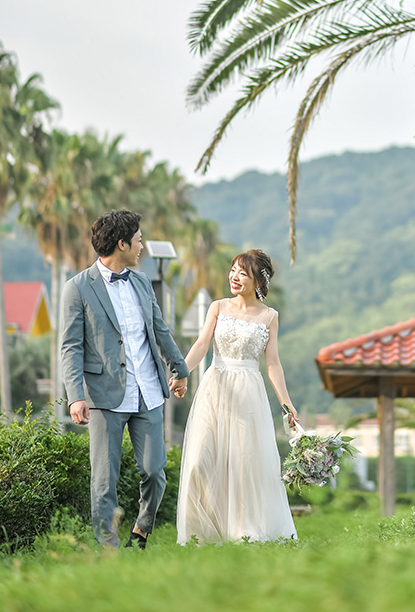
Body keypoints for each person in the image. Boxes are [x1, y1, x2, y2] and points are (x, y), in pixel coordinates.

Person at [60, 209, 189, 549]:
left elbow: (160, 330)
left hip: (148, 392)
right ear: (122, 244)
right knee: (105, 480)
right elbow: (69, 347)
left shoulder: (143, 282)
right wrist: (75, 395)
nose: (142, 245)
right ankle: (108, 549)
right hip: (104, 395)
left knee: (155, 471)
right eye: (138, 239)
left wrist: (179, 369)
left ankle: (141, 530)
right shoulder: (77, 289)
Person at [176, 249, 298, 544]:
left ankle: (243, 531)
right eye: (233, 270)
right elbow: (202, 344)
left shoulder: (269, 316)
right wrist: (182, 372)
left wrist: (287, 404)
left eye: (243, 273)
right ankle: (201, 530)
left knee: (243, 464)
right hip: (214, 387)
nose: (234, 277)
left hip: (248, 393)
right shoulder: (218, 307)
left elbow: (272, 364)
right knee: (198, 461)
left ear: (258, 281)